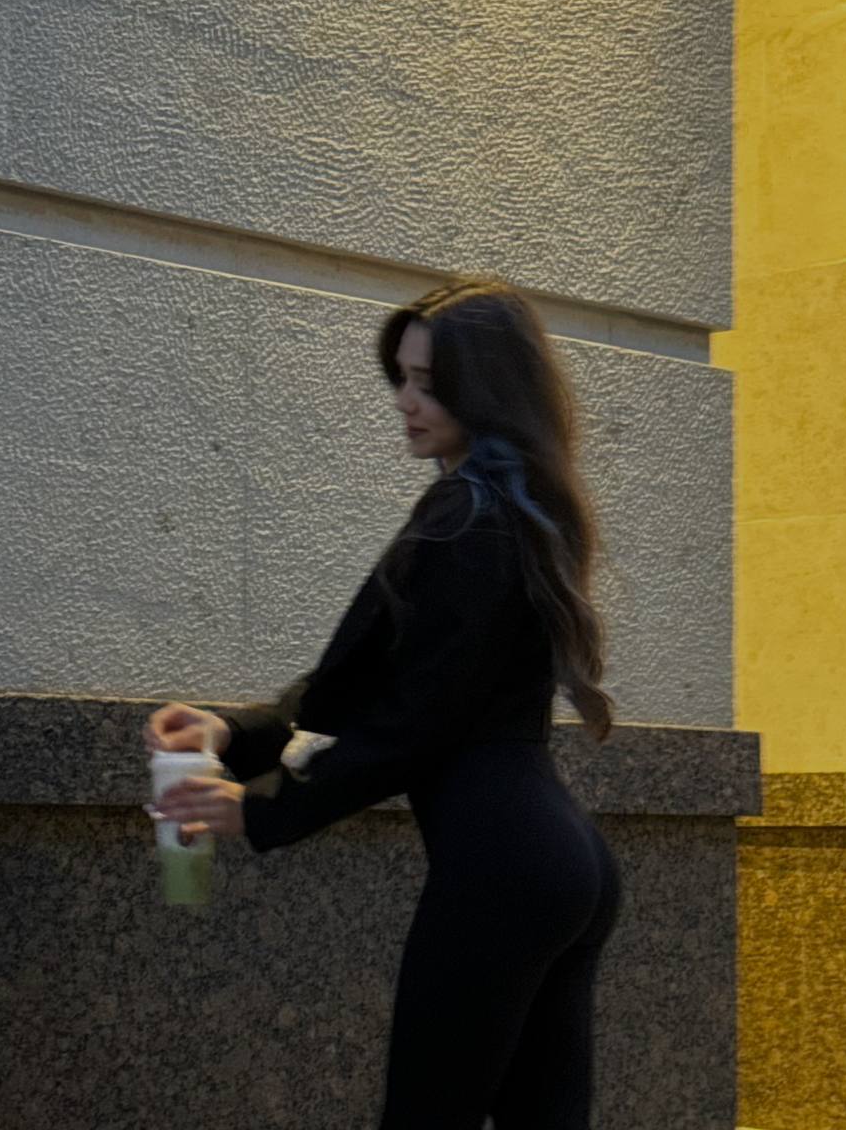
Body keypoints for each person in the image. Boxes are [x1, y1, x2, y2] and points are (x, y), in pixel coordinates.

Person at [145, 277, 621, 1129]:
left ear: (487, 388)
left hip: (504, 871)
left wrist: (261, 809)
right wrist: (233, 733)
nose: (404, 400)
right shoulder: (515, 507)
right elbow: (368, 687)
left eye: (429, 383)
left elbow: (413, 723)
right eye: (401, 377)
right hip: (559, 860)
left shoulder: (470, 517)